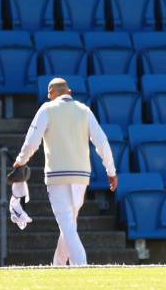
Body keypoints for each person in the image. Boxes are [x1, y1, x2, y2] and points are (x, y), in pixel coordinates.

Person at [13, 77, 117, 266]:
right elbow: (102, 141)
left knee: (67, 226)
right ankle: (58, 266)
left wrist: (20, 162)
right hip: (81, 178)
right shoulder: (84, 110)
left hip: (57, 177)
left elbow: (31, 142)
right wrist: (111, 171)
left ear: (50, 94)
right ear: (68, 92)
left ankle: (81, 267)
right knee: (69, 226)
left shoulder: (47, 109)